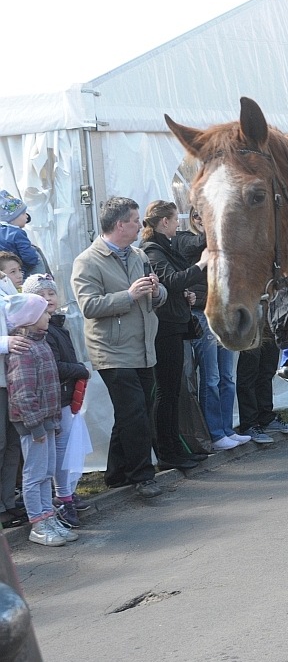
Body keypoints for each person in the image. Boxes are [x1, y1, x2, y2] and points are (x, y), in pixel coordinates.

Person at [71, 196, 167, 498]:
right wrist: (128, 295)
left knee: (131, 413)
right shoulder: (87, 261)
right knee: (135, 412)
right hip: (112, 351)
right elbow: (89, 306)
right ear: (119, 224)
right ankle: (143, 476)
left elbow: (156, 296)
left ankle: (116, 475)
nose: (141, 226)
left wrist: (157, 290)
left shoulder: (138, 255)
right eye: (135, 220)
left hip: (142, 346)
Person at [141, 200, 217, 468]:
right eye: (174, 220)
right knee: (166, 392)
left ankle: (176, 448)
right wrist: (201, 265)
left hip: (174, 324)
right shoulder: (152, 250)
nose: (177, 224)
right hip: (164, 328)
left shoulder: (167, 247)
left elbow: (173, 282)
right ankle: (167, 452)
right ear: (164, 222)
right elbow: (171, 281)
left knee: (174, 392)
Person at [172, 209, 252, 451]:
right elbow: (196, 247)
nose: (202, 221)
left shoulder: (221, 247)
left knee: (227, 376)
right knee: (212, 377)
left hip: (223, 312)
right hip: (203, 315)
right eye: (198, 216)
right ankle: (215, 433)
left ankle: (226, 428)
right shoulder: (186, 240)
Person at [3, 292, 77, 546]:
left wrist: (53, 420)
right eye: (44, 313)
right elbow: (23, 393)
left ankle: (49, 516)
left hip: (47, 419)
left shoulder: (42, 343)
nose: (49, 316)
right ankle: (38, 523)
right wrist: (36, 426)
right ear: (31, 319)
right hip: (33, 423)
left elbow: (51, 387)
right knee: (35, 475)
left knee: (47, 472)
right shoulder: (23, 351)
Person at [22, 274, 90, 527]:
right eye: (41, 295)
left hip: (64, 397)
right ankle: (62, 498)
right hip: (55, 399)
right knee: (57, 455)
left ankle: (66, 493)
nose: (48, 299)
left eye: (51, 293)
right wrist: (80, 370)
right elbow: (54, 366)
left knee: (65, 450)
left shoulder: (56, 326)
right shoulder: (42, 333)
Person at [0, 270, 27, 529]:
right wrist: (5, 343)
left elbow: (17, 310)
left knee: (11, 445)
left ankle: (8, 502)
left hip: (11, 377)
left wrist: (6, 281)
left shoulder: (3, 285)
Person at [0, 191, 43, 275]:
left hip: (6, 273)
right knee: (37, 254)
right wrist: (33, 260)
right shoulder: (17, 233)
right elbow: (29, 257)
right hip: (22, 272)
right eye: (23, 214)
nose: (27, 216)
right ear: (12, 219)